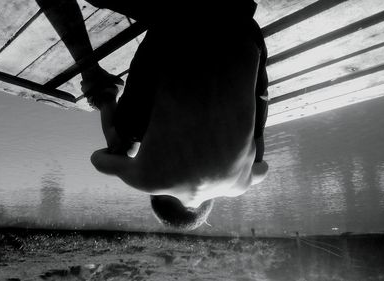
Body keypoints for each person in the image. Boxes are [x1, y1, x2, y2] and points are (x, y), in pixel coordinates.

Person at [80, 0, 269, 230]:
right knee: (121, 141)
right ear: (156, 196)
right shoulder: (149, 181)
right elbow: (98, 160)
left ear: (208, 204)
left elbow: (263, 169)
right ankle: (105, 95)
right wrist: (130, 152)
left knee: (257, 144)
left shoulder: (239, 186)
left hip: (244, 25)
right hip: (177, 25)